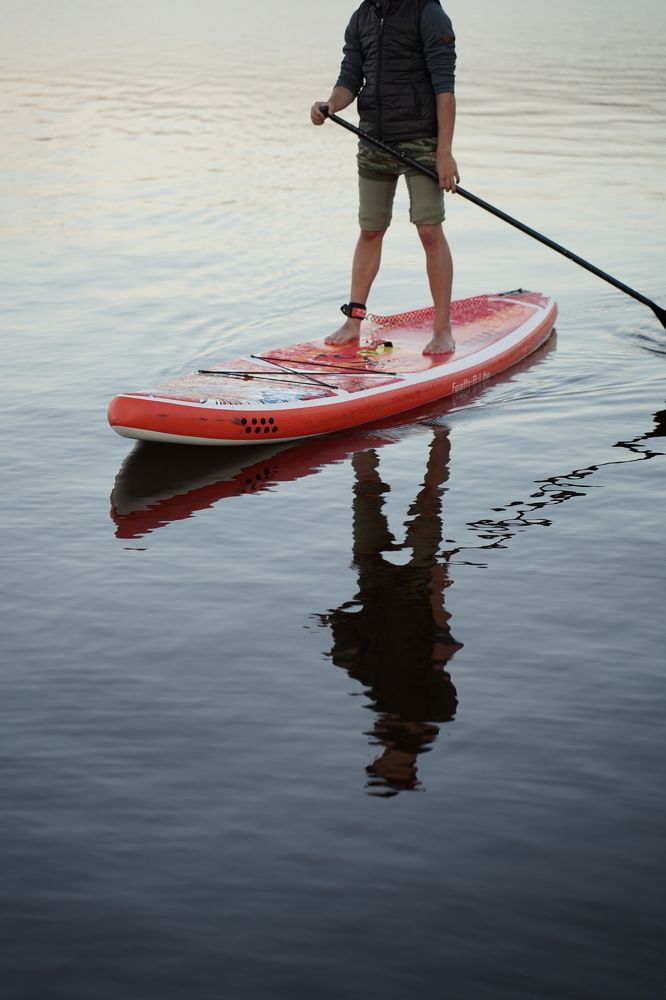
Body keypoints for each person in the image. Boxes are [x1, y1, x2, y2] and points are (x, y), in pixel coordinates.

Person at [311, 0, 459, 355]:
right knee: (370, 230)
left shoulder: (428, 12)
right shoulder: (362, 16)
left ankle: (443, 330)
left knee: (429, 230)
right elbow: (350, 77)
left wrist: (444, 152)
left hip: (420, 142)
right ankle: (353, 321)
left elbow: (444, 88)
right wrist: (331, 105)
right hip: (373, 141)